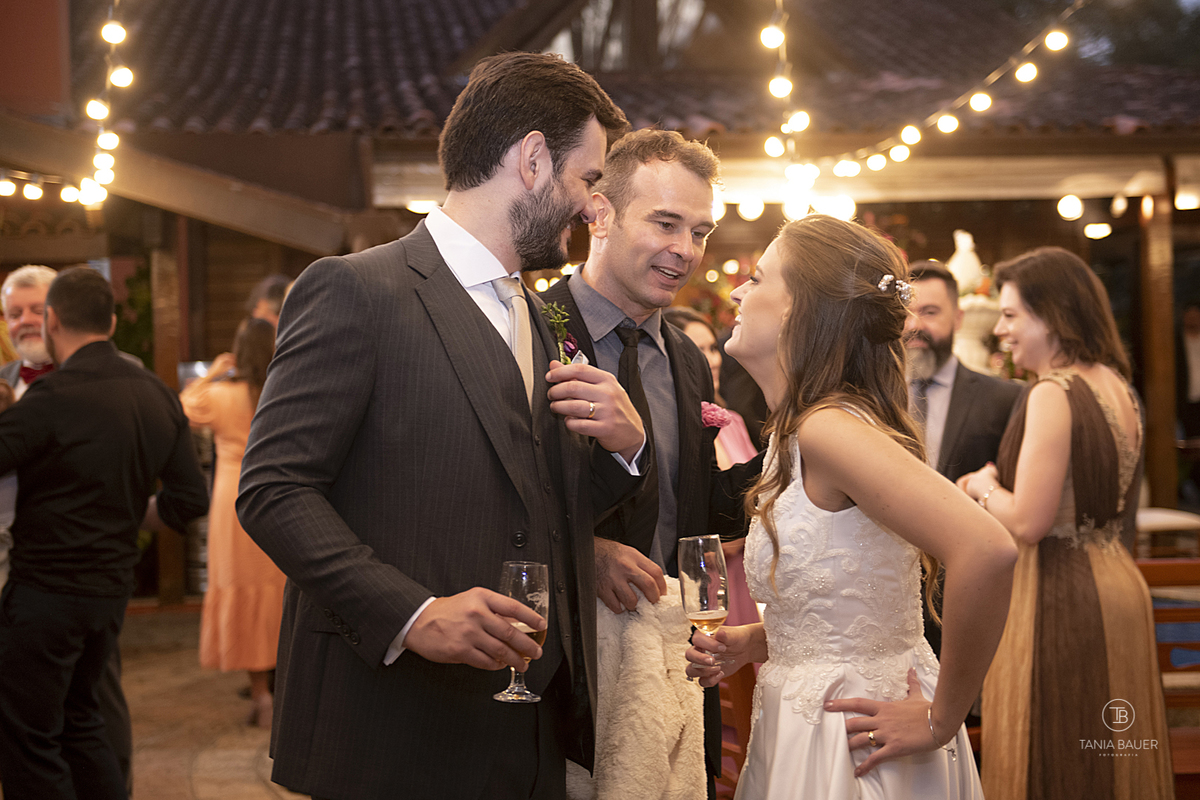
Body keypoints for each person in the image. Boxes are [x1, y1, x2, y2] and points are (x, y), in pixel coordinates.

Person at [236, 52, 644, 800]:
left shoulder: (546, 317)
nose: (593, 208)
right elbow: (273, 490)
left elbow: (542, 500)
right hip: (390, 728)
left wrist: (625, 445)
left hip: (525, 734)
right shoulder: (356, 290)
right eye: (589, 180)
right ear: (530, 160)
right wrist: (412, 613)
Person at [685, 215, 1016, 798]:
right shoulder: (799, 432)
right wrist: (762, 639)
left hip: (855, 737)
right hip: (810, 718)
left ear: (798, 309)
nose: (737, 292)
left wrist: (944, 717)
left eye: (757, 279)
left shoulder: (827, 429)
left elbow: (987, 549)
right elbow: (853, 592)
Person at [539, 128, 763, 791]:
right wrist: (587, 548)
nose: (686, 251)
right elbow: (498, 494)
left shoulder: (689, 359)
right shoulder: (534, 328)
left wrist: (796, 447)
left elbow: (699, 504)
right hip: (566, 663)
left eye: (700, 231)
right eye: (666, 223)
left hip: (673, 654)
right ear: (600, 214)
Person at [956, 247, 1174, 800]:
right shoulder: (1116, 385)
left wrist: (983, 488)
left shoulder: (1052, 392)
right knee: (1109, 762)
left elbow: (1028, 520)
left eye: (1011, 315)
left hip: (1059, 597)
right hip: (1119, 585)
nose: (1001, 330)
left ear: (1052, 315)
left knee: (1059, 761)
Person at [0, 266, 208, 800]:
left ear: (51, 320)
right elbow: (190, 500)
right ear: (112, 321)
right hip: (110, 592)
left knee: (28, 738)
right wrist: (124, 514)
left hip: (45, 594)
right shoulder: (156, 394)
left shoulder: (49, 400)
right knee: (83, 719)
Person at [0, 263, 138, 793]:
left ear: (58, 315)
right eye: (14, 314)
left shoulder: (118, 376)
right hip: (14, 576)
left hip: (79, 573)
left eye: (36, 309)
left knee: (92, 701)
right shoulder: (6, 386)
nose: (26, 322)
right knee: (25, 712)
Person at [904, 261, 1021, 657]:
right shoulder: (869, 397)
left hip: (973, 584)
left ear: (958, 317)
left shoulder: (1004, 399)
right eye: (907, 311)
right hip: (889, 584)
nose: (915, 324)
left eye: (930, 312)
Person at [181, 318, 285, 729]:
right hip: (277, 493)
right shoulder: (279, 391)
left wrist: (212, 371)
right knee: (279, 591)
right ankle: (286, 689)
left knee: (240, 590)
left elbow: (186, 405)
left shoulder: (222, 395)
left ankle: (261, 695)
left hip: (233, 501)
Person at [0, 265, 58, 398]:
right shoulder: (2, 379)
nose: (24, 321)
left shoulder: (95, 375)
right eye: (15, 314)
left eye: (38, 311)